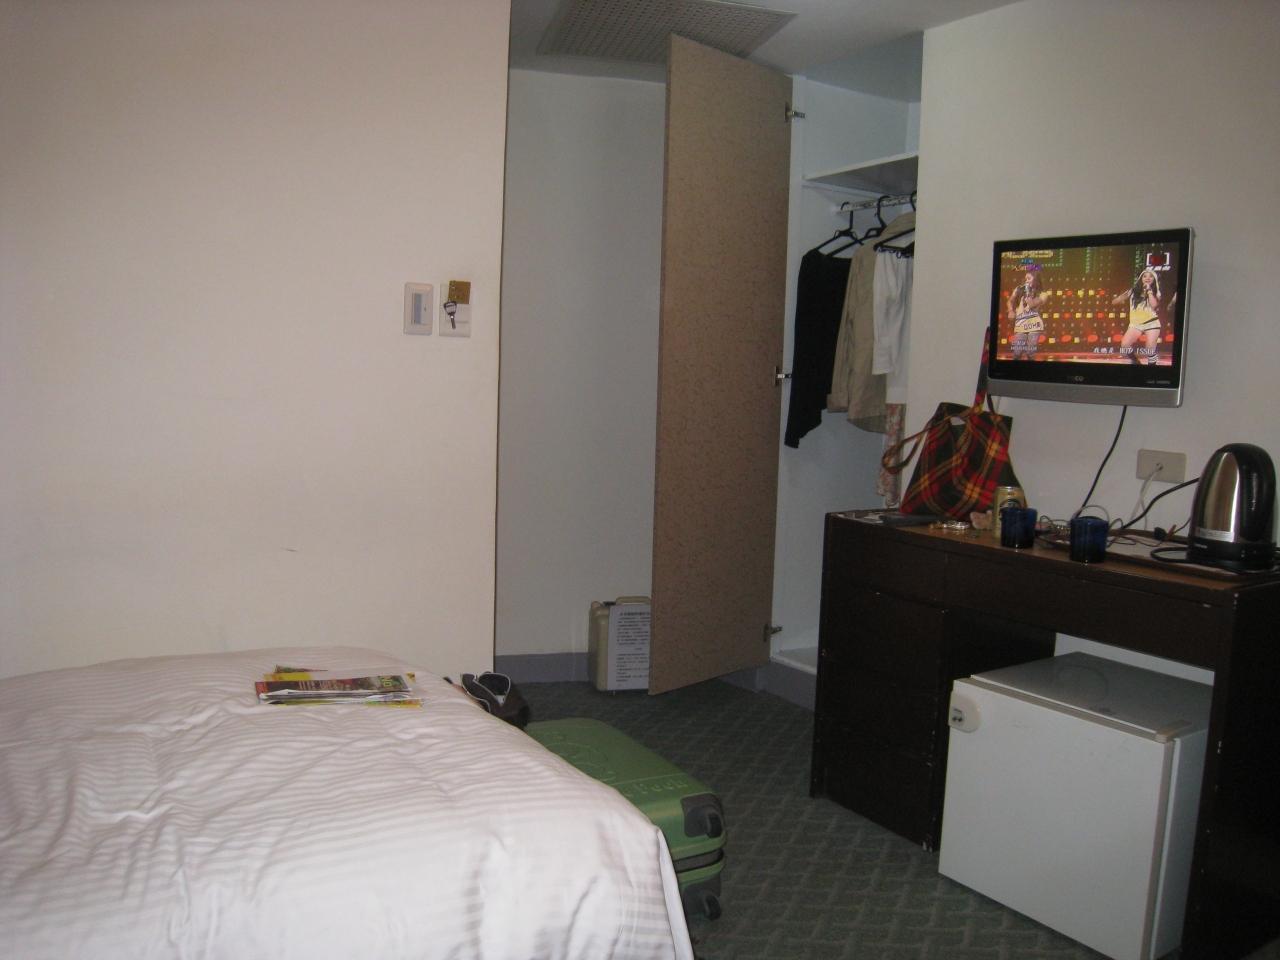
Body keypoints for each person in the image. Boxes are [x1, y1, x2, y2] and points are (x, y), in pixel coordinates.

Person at [1112, 267, 1162, 364]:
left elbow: (1154, 305)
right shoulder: (1133, 291)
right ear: (1141, 278)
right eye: (1145, 276)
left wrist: (1149, 290)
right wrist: (1120, 298)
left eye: (1151, 276)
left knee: (1149, 349)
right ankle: (1136, 362)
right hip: (1135, 324)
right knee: (1125, 345)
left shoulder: (1156, 292)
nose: (1147, 278)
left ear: (1154, 279)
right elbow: (1115, 301)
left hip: (1151, 323)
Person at [1007, 268, 1049, 359]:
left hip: (1034, 325)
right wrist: (1011, 311)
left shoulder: (1043, 294)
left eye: (1029, 278)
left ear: (1036, 280)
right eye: (1026, 279)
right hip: (1021, 323)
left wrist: (1028, 292)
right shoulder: (1018, 289)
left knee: (1030, 352)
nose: (1026, 281)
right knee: (1017, 352)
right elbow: (1010, 301)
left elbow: (1032, 304)